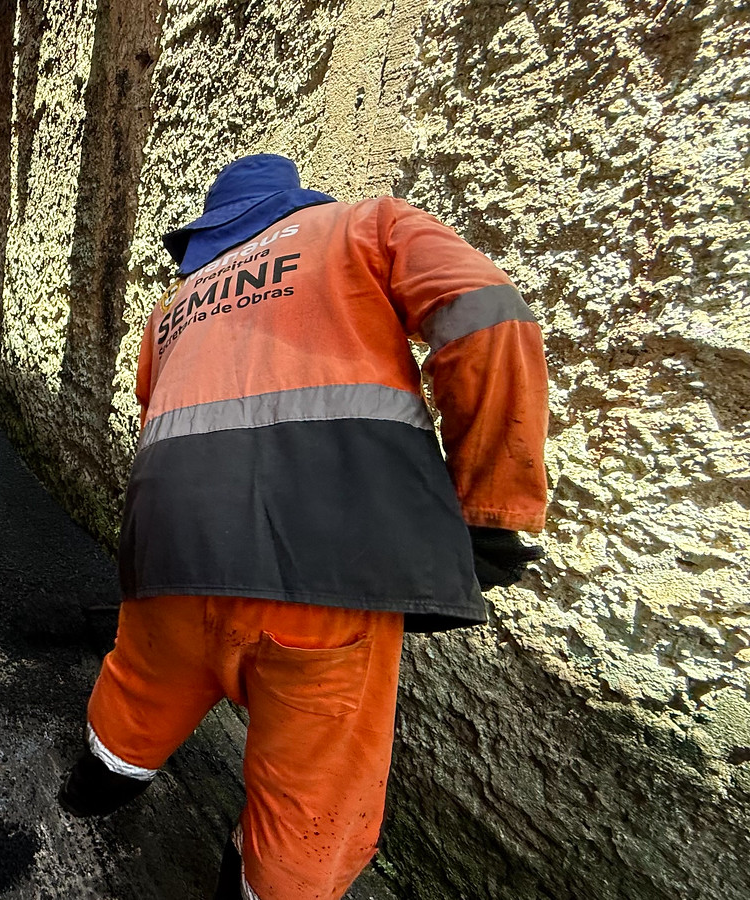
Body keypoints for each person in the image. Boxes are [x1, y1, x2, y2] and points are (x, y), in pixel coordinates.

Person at [56, 154, 550, 900]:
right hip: (327, 571)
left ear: (211, 230)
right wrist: (490, 509)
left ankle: (105, 777)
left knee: (143, 682)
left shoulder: (172, 307)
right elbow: (487, 314)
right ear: (294, 204)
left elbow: (158, 409)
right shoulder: (367, 228)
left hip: (169, 553)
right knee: (315, 781)